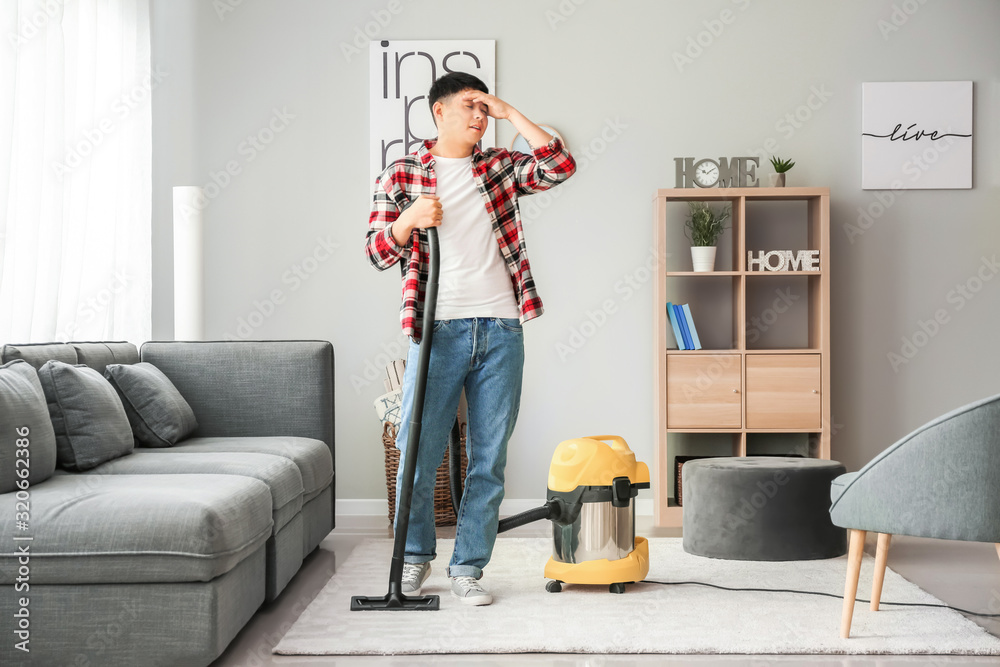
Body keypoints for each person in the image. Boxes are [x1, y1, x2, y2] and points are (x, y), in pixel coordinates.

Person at [364, 71, 576, 605]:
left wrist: (512, 115)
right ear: (439, 111)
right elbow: (376, 252)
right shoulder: (404, 172)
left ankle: (467, 568)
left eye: (484, 109)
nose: (480, 117)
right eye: (470, 107)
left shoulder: (499, 166)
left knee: (489, 459)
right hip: (436, 328)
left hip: (502, 328)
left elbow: (559, 166)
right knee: (418, 450)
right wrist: (408, 220)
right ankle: (413, 560)